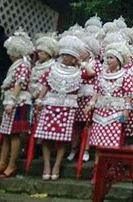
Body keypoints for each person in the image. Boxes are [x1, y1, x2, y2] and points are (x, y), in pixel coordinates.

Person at [34, 36, 94, 181]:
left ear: (75, 58)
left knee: (63, 139)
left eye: (70, 55)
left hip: (67, 108)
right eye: (65, 54)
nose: (67, 57)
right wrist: (40, 100)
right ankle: (47, 165)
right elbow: (45, 85)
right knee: (46, 137)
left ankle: (57, 165)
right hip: (50, 105)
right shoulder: (52, 68)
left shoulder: (79, 72)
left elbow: (92, 74)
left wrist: (81, 62)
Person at [87, 42, 133, 184]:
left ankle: (111, 170)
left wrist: (126, 110)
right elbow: (96, 91)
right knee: (98, 144)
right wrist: (91, 104)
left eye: (111, 57)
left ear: (118, 60)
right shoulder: (101, 75)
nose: (108, 60)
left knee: (113, 143)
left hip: (116, 113)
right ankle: (97, 170)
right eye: (107, 57)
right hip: (100, 112)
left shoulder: (125, 75)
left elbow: (128, 94)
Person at [0, 30, 33, 177]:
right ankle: (2, 163)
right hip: (11, 100)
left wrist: (12, 101)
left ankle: (12, 164)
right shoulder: (18, 64)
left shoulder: (22, 65)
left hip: (18, 101)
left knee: (14, 134)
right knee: (6, 134)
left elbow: (19, 84)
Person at [67, 36, 102, 162]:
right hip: (77, 95)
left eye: (83, 51)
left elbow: (94, 75)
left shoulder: (96, 64)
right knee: (76, 124)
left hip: (90, 95)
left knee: (88, 124)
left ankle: (86, 149)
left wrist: (83, 64)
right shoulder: (74, 64)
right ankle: (73, 148)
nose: (80, 53)